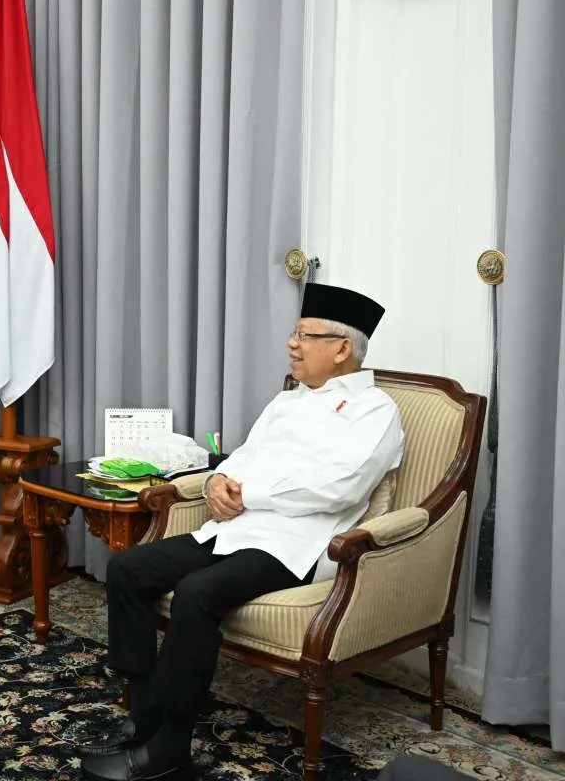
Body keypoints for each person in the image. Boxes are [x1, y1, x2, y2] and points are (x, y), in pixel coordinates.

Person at [80, 283, 404, 781]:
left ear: (342, 349)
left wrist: (248, 493)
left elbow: (337, 488)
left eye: (305, 336)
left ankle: (170, 748)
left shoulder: (376, 411)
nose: (292, 345)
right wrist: (215, 483)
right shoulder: (286, 401)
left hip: (296, 545)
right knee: (126, 569)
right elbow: (241, 459)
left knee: (197, 592)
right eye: (293, 334)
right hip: (232, 528)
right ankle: (145, 716)